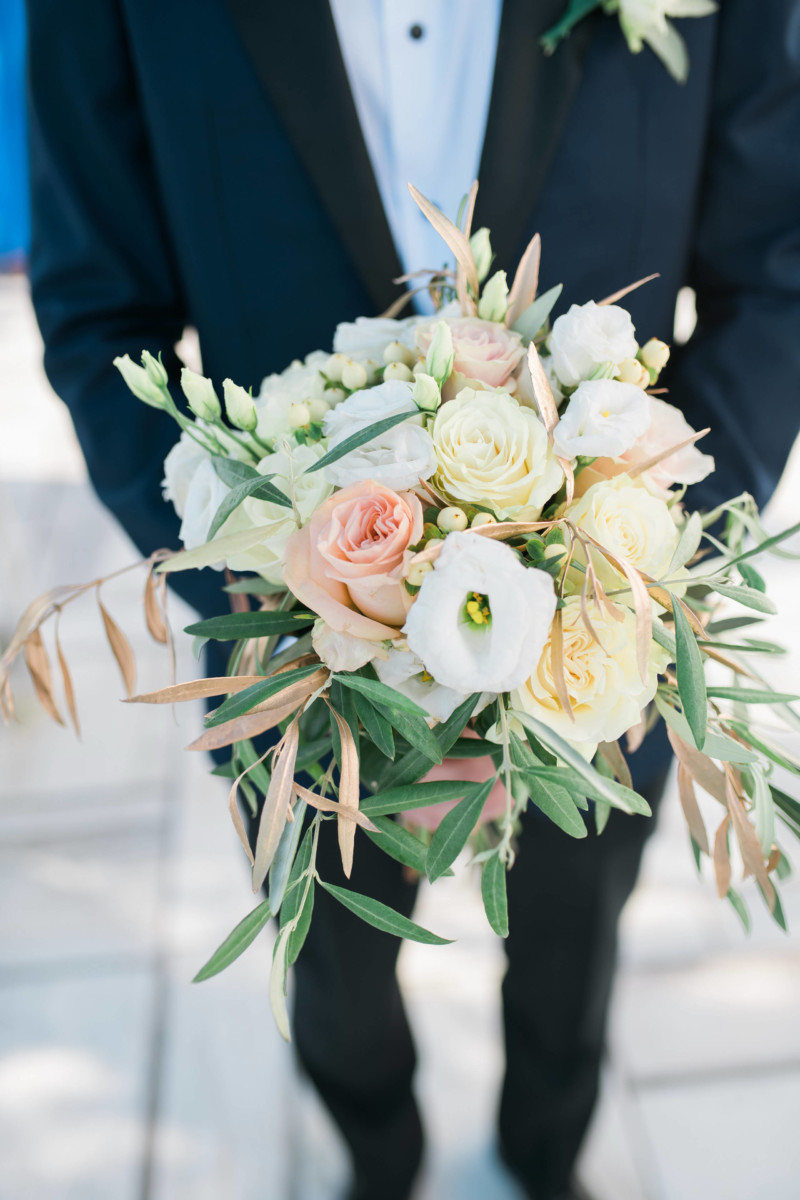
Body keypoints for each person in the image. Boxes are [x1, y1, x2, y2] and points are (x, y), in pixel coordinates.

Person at [25, 3, 800, 1198]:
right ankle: (375, 1154)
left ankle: (546, 1152)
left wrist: (633, 572)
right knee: (332, 966)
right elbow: (98, 313)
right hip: (291, 654)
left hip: (605, 648)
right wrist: (271, 589)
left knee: (572, 939)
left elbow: (773, 277)